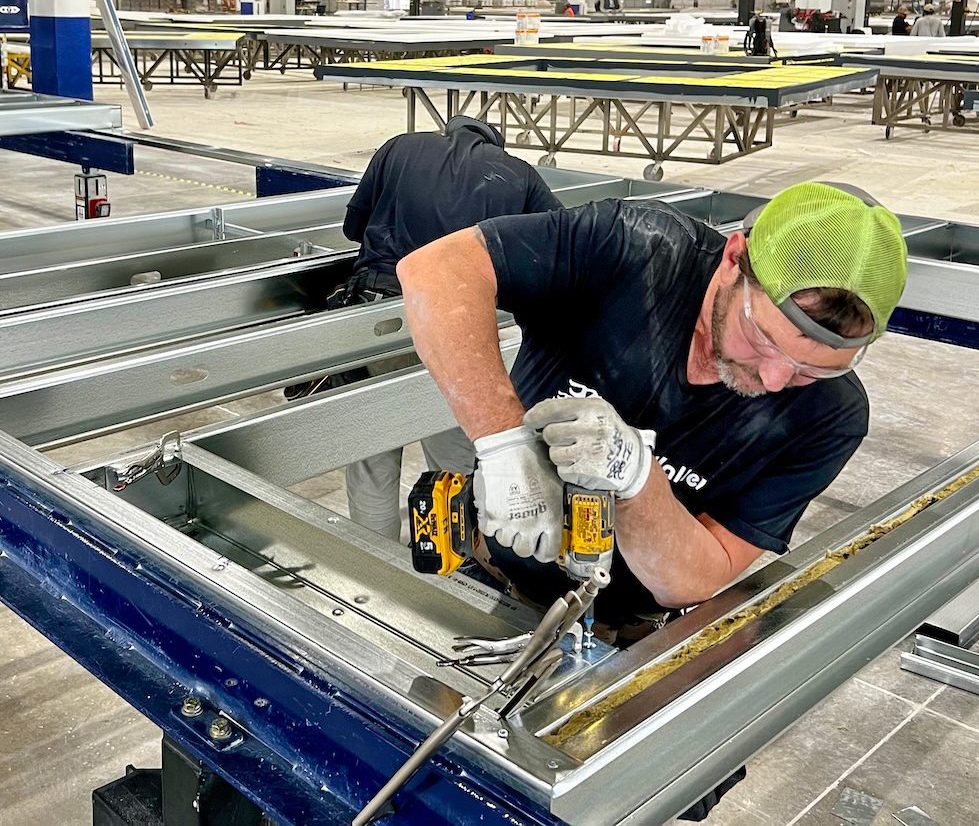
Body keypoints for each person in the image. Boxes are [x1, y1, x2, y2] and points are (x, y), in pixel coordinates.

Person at [397, 182, 907, 628]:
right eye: (765, 340)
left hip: (622, 633)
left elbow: (697, 578)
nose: (775, 380)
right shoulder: (638, 249)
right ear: (734, 260)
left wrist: (638, 481)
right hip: (488, 577)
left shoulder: (831, 416)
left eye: (813, 368)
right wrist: (505, 442)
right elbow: (436, 270)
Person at [333, 117, 561, 541]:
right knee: (453, 455)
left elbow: (352, 228)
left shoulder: (399, 147)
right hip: (454, 326)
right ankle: (455, 569)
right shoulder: (519, 174)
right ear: (496, 145)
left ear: (449, 131)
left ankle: (375, 568)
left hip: (375, 318)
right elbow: (557, 248)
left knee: (371, 452)